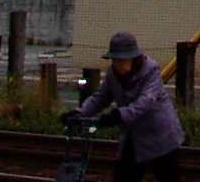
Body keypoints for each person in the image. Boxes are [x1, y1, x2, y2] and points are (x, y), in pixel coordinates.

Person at [70, 32, 184, 182]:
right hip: (134, 134)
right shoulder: (113, 73)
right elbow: (100, 97)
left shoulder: (150, 70)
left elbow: (146, 101)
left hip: (160, 135)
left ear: (132, 57)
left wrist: (119, 115)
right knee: (124, 175)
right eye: (115, 60)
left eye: (122, 60)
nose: (118, 65)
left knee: (168, 176)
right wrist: (80, 112)